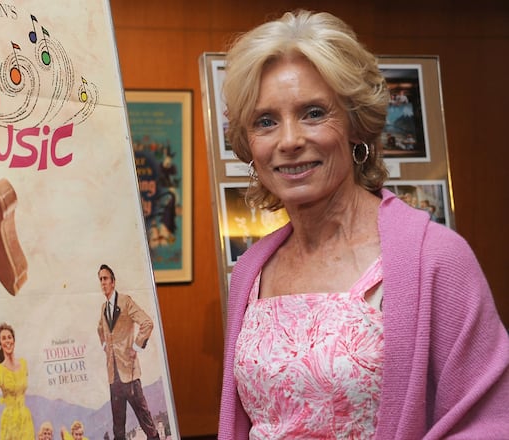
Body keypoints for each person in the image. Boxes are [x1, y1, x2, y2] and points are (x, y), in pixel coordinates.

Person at [218, 10, 509, 439]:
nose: (289, 140)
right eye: (266, 121)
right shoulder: (250, 273)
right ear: (248, 144)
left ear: (356, 123)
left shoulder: (436, 259)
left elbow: (489, 422)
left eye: (313, 113)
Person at [96, 264, 160, 440]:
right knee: (118, 428)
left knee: (145, 420)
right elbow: (100, 330)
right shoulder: (103, 308)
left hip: (129, 375)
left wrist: (136, 347)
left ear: (113, 282)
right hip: (113, 376)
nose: (103, 283)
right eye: (100, 279)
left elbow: (147, 322)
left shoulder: (125, 301)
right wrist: (106, 348)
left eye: (106, 279)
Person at [0, 323, 35, 440]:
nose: (8, 341)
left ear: (14, 340)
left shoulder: (23, 364)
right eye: (3, 338)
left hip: (25, 421)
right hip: (9, 423)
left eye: (10, 337)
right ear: (0, 344)